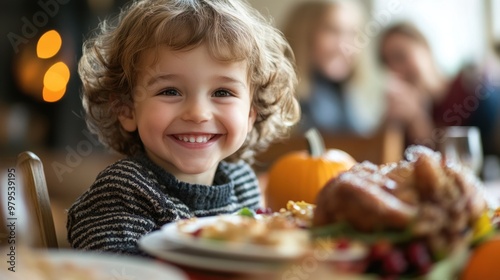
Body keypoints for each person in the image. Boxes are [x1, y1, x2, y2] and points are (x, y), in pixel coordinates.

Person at [67, 0, 300, 255]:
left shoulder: (243, 183)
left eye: (222, 92)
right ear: (127, 110)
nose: (198, 113)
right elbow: (116, 271)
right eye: (170, 91)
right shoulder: (122, 191)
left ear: (250, 113)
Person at [379, 22, 500, 156]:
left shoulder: (471, 92)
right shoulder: (401, 113)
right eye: (387, 63)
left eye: (400, 56)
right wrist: (390, 125)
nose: (395, 70)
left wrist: (417, 121)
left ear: (425, 48)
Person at [283, 0, 383, 135]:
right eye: (332, 31)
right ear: (303, 34)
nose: (346, 46)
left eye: (352, 34)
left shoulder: (347, 96)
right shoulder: (279, 97)